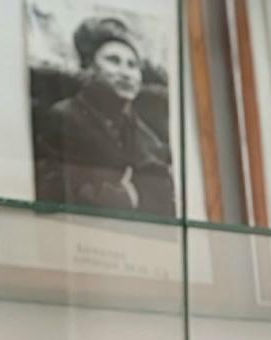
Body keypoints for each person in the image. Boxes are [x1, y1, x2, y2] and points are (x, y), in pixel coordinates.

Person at [33, 14, 174, 217]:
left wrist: (137, 194)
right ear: (89, 67)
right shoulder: (64, 117)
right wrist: (118, 196)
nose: (126, 73)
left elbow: (164, 192)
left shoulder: (144, 134)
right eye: (113, 61)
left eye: (132, 65)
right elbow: (50, 189)